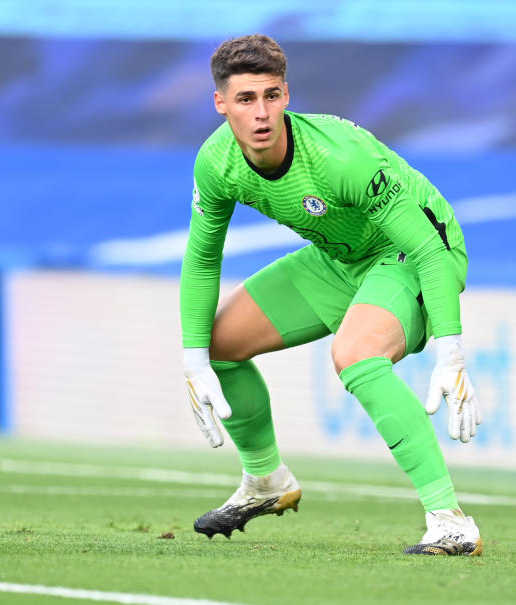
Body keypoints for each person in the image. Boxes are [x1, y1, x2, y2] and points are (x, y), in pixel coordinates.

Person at [180, 34, 483, 556]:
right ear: (220, 104)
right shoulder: (216, 162)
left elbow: (429, 250)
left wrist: (450, 349)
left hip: (411, 254)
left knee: (355, 354)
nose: (261, 113)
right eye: (246, 99)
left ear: (287, 96)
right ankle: (266, 482)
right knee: (219, 343)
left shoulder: (339, 159)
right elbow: (203, 258)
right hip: (339, 259)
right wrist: (191, 359)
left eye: (271, 96)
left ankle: (449, 520)